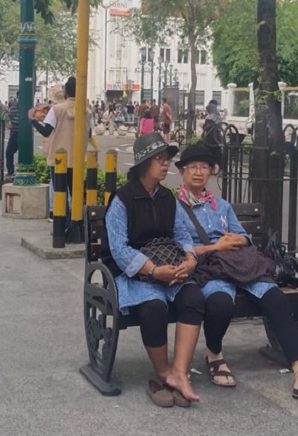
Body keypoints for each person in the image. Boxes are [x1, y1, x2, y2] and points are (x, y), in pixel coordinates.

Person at [173, 143, 298, 411]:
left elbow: (245, 237)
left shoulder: (222, 205)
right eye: (192, 167)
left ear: (211, 171)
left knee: (275, 299)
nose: (198, 172)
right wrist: (217, 247)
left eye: (204, 167)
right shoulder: (175, 208)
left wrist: (238, 238)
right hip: (208, 269)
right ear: (182, 172)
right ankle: (214, 353)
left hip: (239, 265)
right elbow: (179, 249)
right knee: (220, 303)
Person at [105, 133, 203, 407]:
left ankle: (180, 373)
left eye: (166, 159)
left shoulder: (168, 199)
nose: (165, 165)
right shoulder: (122, 200)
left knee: (193, 299)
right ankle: (164, 372)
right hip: (136, 274)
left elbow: (182, 232)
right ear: (143, 163)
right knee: (154, 307)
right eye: (158, 160)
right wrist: (152, 271)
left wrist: (189, 258)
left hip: (170, 267)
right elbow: (119, 248)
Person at [33, 77, 80, 229]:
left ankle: (63, 226)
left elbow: (46, 131)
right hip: (78, 158)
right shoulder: (86, 110)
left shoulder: (57, 110)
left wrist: (32, 120)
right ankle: (77, 225)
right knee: (76, 192)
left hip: (59, 160)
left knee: (61, 192)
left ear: (66, 91)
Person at [4, 96, 19, 178]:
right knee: (9, 152)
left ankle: (21, 171)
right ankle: (10, 171)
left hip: (22, 134)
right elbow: (9, 117)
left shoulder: (28, 106)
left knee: (23, 154)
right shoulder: (13, 107)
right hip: (13, 133)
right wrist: (9, 122)